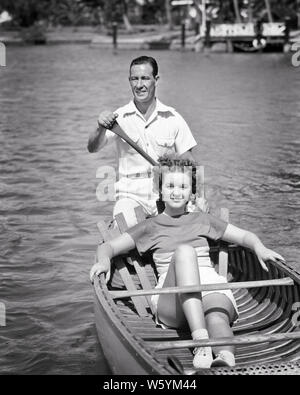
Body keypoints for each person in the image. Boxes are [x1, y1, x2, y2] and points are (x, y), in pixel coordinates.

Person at [90, 154, 285, 369]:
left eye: (182, 186)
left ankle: (225, 358)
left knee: (218, 318)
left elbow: (244, 237)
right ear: (160, 190)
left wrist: (260, 248)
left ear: (191, 193)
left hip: (209, 286)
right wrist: (103, 261)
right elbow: (108, 247)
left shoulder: (203, 220)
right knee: (185, 252)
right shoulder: (150, 226)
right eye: (170, 185)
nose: (175, 191)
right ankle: (201, 343)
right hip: (172, 301)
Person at [88, 55, 198, 227]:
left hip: (168, 193)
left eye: (145, 78)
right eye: (134, 79)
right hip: (130, 196)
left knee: (194, 221)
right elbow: (93, 148)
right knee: (126, 227)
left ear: (156, 79)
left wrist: (197, 198)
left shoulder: (173, 118)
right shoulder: (119, 117)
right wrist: (100, 126)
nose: (139, 85)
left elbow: (190, 164)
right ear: (129, 81)